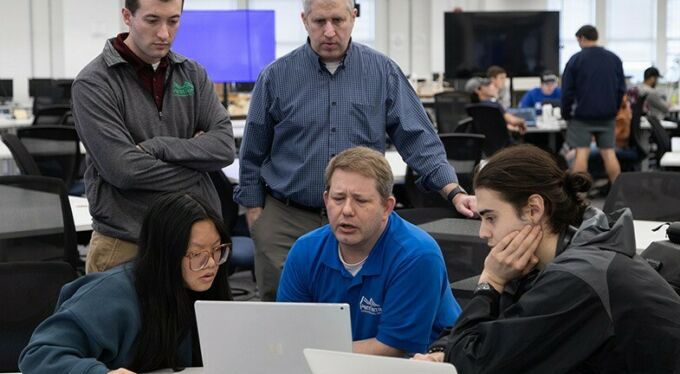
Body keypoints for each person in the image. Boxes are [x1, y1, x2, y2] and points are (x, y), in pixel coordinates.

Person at [235, 0, 476, 301]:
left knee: (357, 309)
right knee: (284, 317)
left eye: (338, 20)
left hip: (359, 218)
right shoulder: (275, 77)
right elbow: (253, 151)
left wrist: (453, 191)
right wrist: (256, 213)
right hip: (288, 219)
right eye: (319, 21)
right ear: (304, 20)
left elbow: (419, 139)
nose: (329, 31)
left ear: (354, 17)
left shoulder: (382, 72)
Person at [413, 144, 680, 374]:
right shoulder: (555, 254)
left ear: (534, 210)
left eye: (490, 217)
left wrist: (490, 283)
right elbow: (490, 335)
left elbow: (474, 371)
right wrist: (441, 352)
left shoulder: (577, 275)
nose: (483, 232)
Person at [72, 0, 235, 274]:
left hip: (193, 240)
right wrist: (197, 167)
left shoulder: (193, 74)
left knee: (194, 318)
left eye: (173, 21)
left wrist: (159, 147)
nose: (164, 33)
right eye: (152, 20)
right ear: (127, 16)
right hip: (127, 243)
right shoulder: (94, 83)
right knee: (125, 318)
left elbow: (224, 148)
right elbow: (124, 170)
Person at [19, 193, 234, 374]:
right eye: (197, 254)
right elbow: (39, 353)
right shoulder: (111, 295)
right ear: (166, 254)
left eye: (217, 250)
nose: (212, 263)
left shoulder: (202, 290)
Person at [277, 147, 461, 356]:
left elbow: (394, 348)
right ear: (326, 200)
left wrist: (311, 352)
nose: (346, 210)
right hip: (331, 365)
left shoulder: (417, 255)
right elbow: (290, 331)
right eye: (338, 198)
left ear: (387, 207)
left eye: (361, 200)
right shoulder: (305, 251)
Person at [561, 25, 625, 183]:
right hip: (607, 116)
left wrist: (566, 114)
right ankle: (619, 194)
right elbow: (621, 89)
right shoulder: (614, 59)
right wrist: (614, 110)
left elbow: (567, 91)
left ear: (581, 38)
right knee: (609, 154)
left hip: (582, 117)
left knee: (581, 154)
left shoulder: (576, 60)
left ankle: (577, 198)